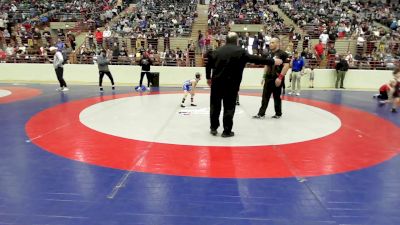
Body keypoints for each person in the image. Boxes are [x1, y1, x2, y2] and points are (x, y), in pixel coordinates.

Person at [206, 32, 282, 138]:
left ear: (226, 40)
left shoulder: (216, 51)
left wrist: (208, 78)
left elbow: (208, 64)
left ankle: (213, 128)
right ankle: (226, 131)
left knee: (215, 106)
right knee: (229, 107)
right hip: (232, 85)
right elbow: (256, 59)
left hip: (217, 84)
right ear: (237, 41)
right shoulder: (241, 52)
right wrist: (272, 61)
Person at [253, 37, 290, 119]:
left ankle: (278, 113)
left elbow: (287, 66)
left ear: (277, 43)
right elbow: (266, 65)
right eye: (270, 42)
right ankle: (261, 113)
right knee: (265, 96)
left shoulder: (283, 54)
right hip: (268, 78)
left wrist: (280, 78)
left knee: (276, 97)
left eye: (272, 42)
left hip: (277, 78)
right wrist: (263, 76)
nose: (270, 44)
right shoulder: (268, 54)